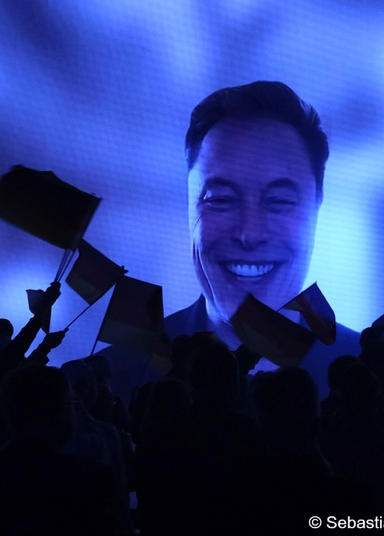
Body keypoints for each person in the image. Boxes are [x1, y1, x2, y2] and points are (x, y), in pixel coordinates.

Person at [102, 81, 361, 402]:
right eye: (220, 199)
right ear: (188, 205)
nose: (249, 234)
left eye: (279, 201)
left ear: (317, 205)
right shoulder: (111, 382)